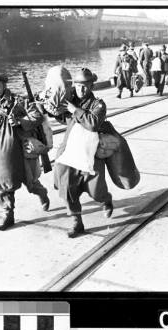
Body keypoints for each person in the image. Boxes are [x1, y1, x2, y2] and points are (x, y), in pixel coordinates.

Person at [0, 72, 50, 231]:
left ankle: (42, 193)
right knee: (4, 183)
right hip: (3, 153)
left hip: (22, 149)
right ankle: (8, 215)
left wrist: (20, 121)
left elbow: (37, 116)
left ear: (4, 85)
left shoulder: (19, 101)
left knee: (30, 182)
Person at [53, 68, 113, 238]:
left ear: (91, 85)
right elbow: (63, 118)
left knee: (96, 190)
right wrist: (52, 108)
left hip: (91, 153)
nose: (81, 89)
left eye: (85, 86)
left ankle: (105, 199)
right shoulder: (71, 101)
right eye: (78, 86)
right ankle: (76, 222)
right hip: (70, 152)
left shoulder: (98, 104)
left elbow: (93, 123)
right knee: (67, 187)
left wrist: (75, 110)